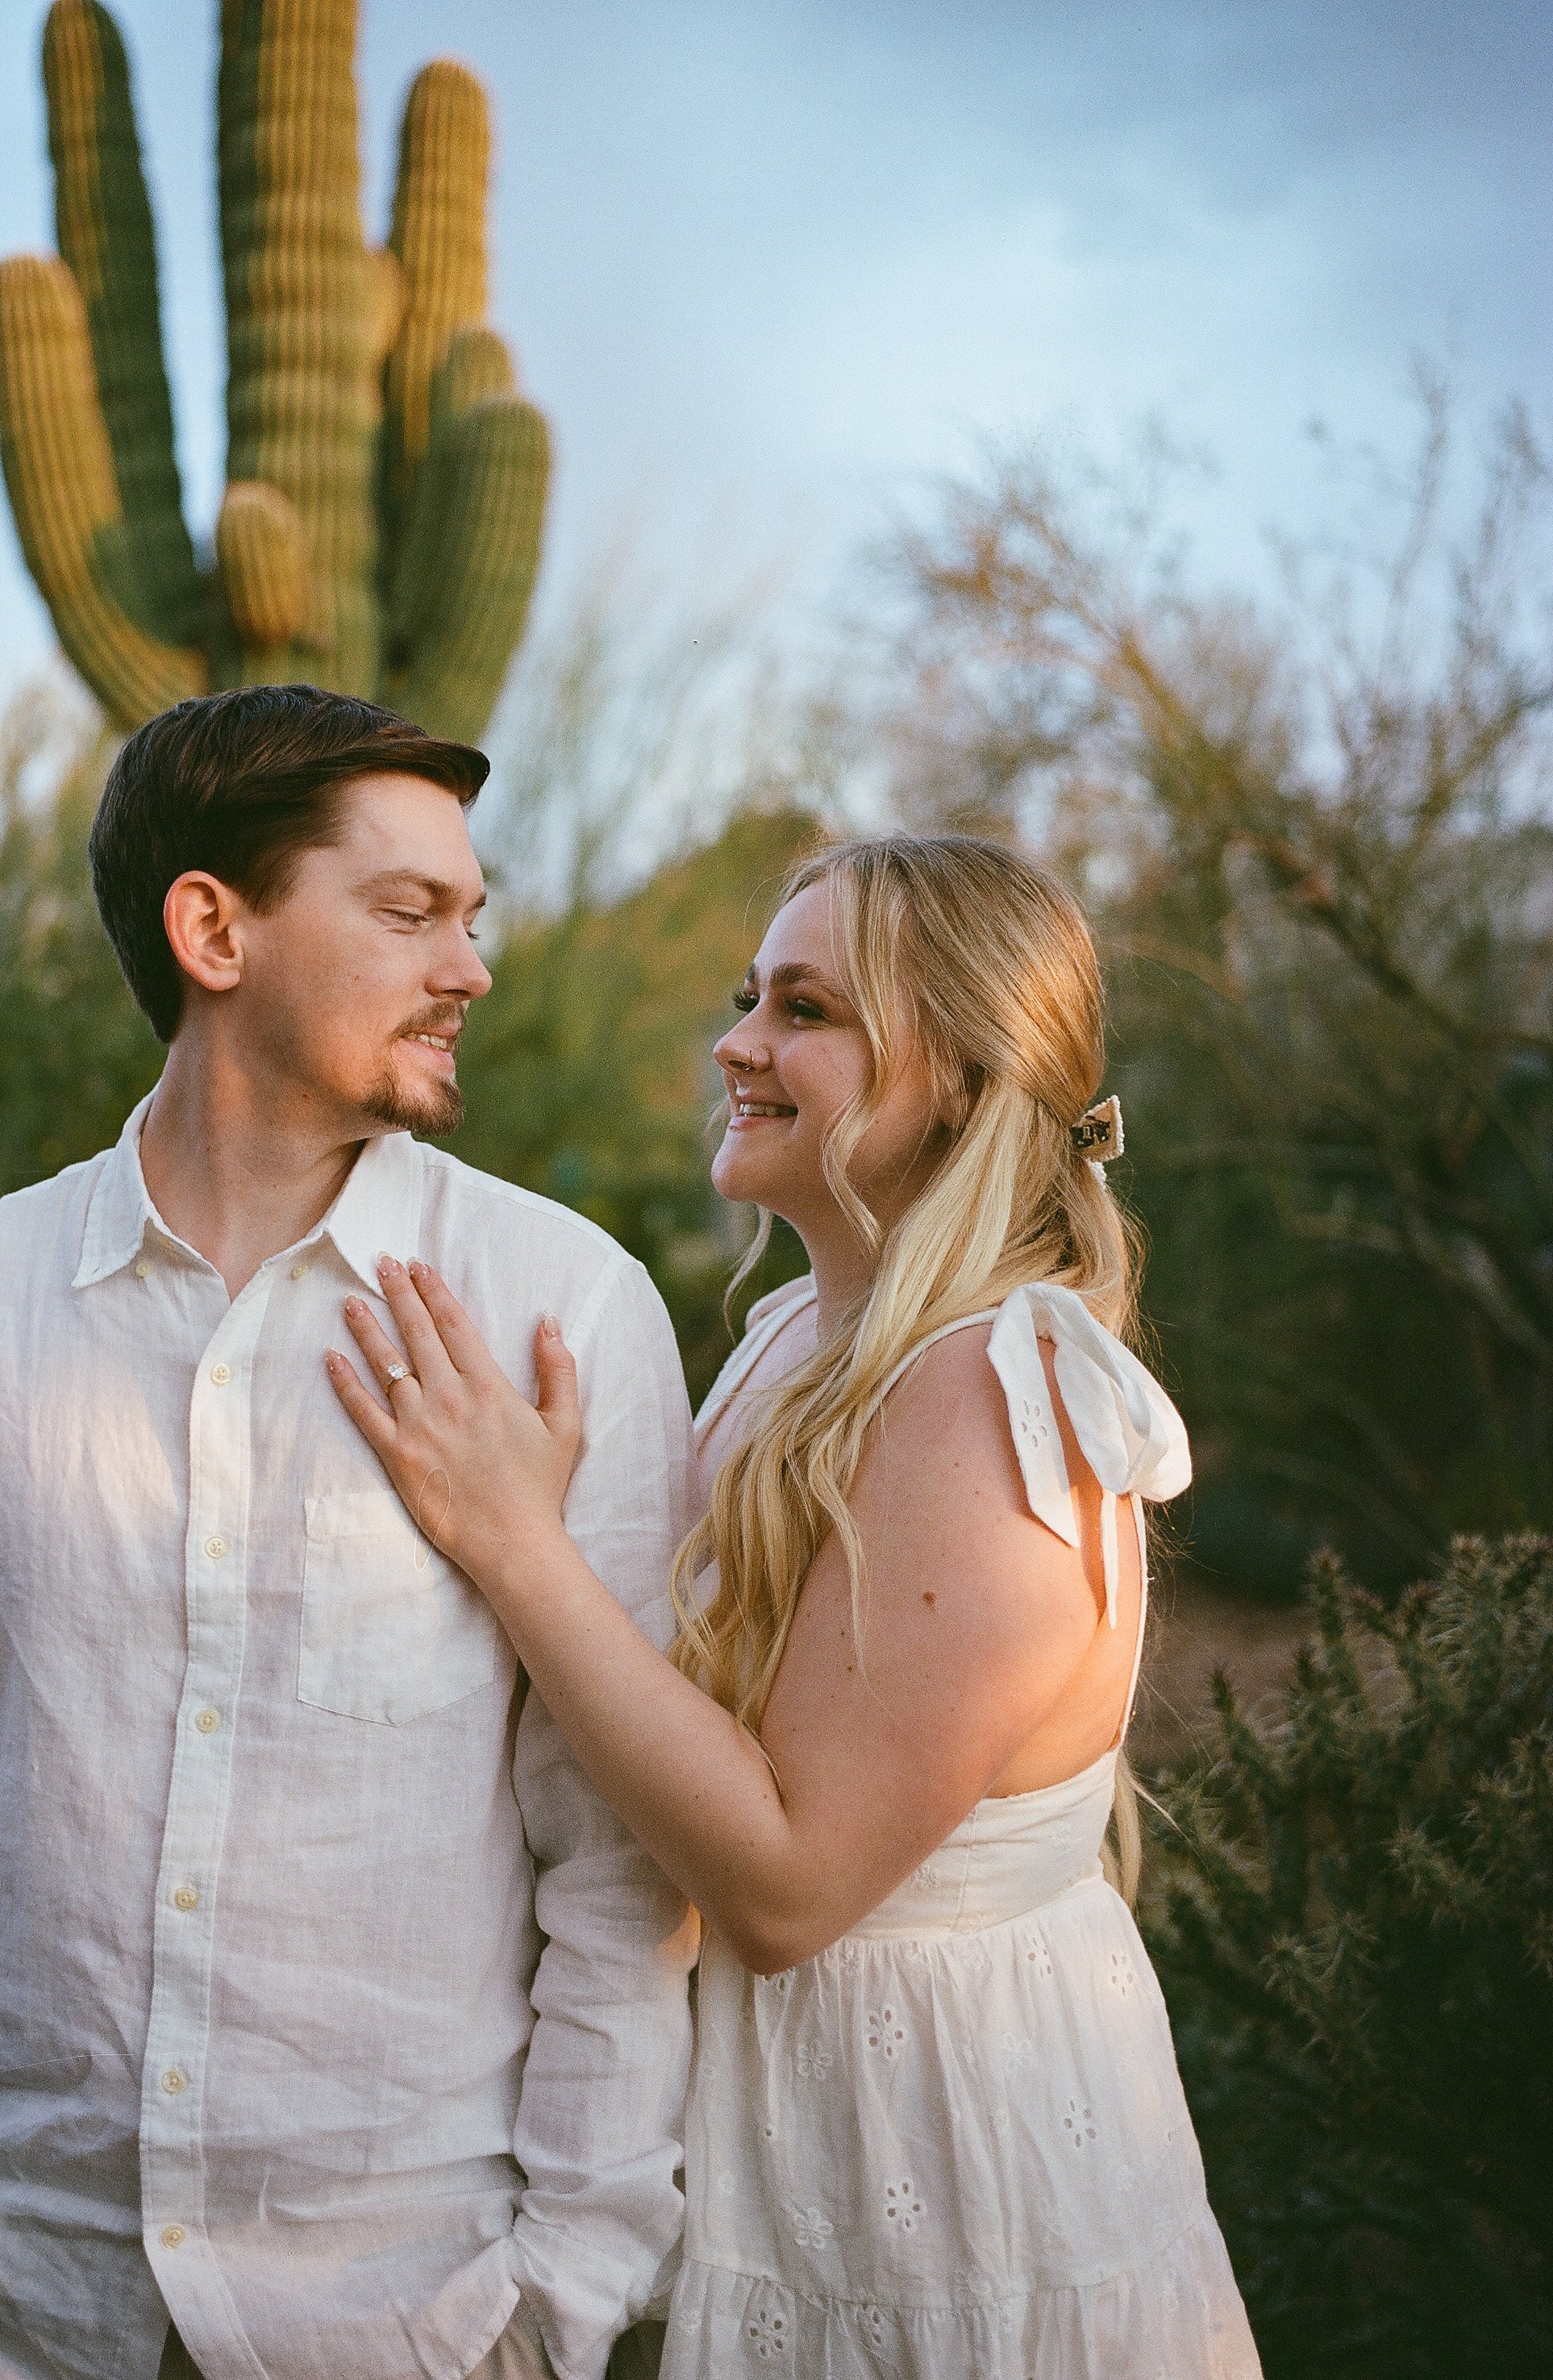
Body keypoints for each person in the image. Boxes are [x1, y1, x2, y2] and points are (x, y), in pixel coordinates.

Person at [0, 686, 695, 2380]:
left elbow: (618, 1853)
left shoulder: (557, 1308)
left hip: (419, 2316)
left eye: (473, 917)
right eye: (408, 911)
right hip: (17, 2294)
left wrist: (565, 2286)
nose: (472, 967)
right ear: (213, 929)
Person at [327, 834, 1264, 2376]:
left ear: (960, 1080)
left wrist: (517, 1545)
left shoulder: (984, 1394)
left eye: (807, 1011)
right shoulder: (798, 1339)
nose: (737, 1043)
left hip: (955, 2179)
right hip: (805, 2137)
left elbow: (786, 1883)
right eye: (751, 993)